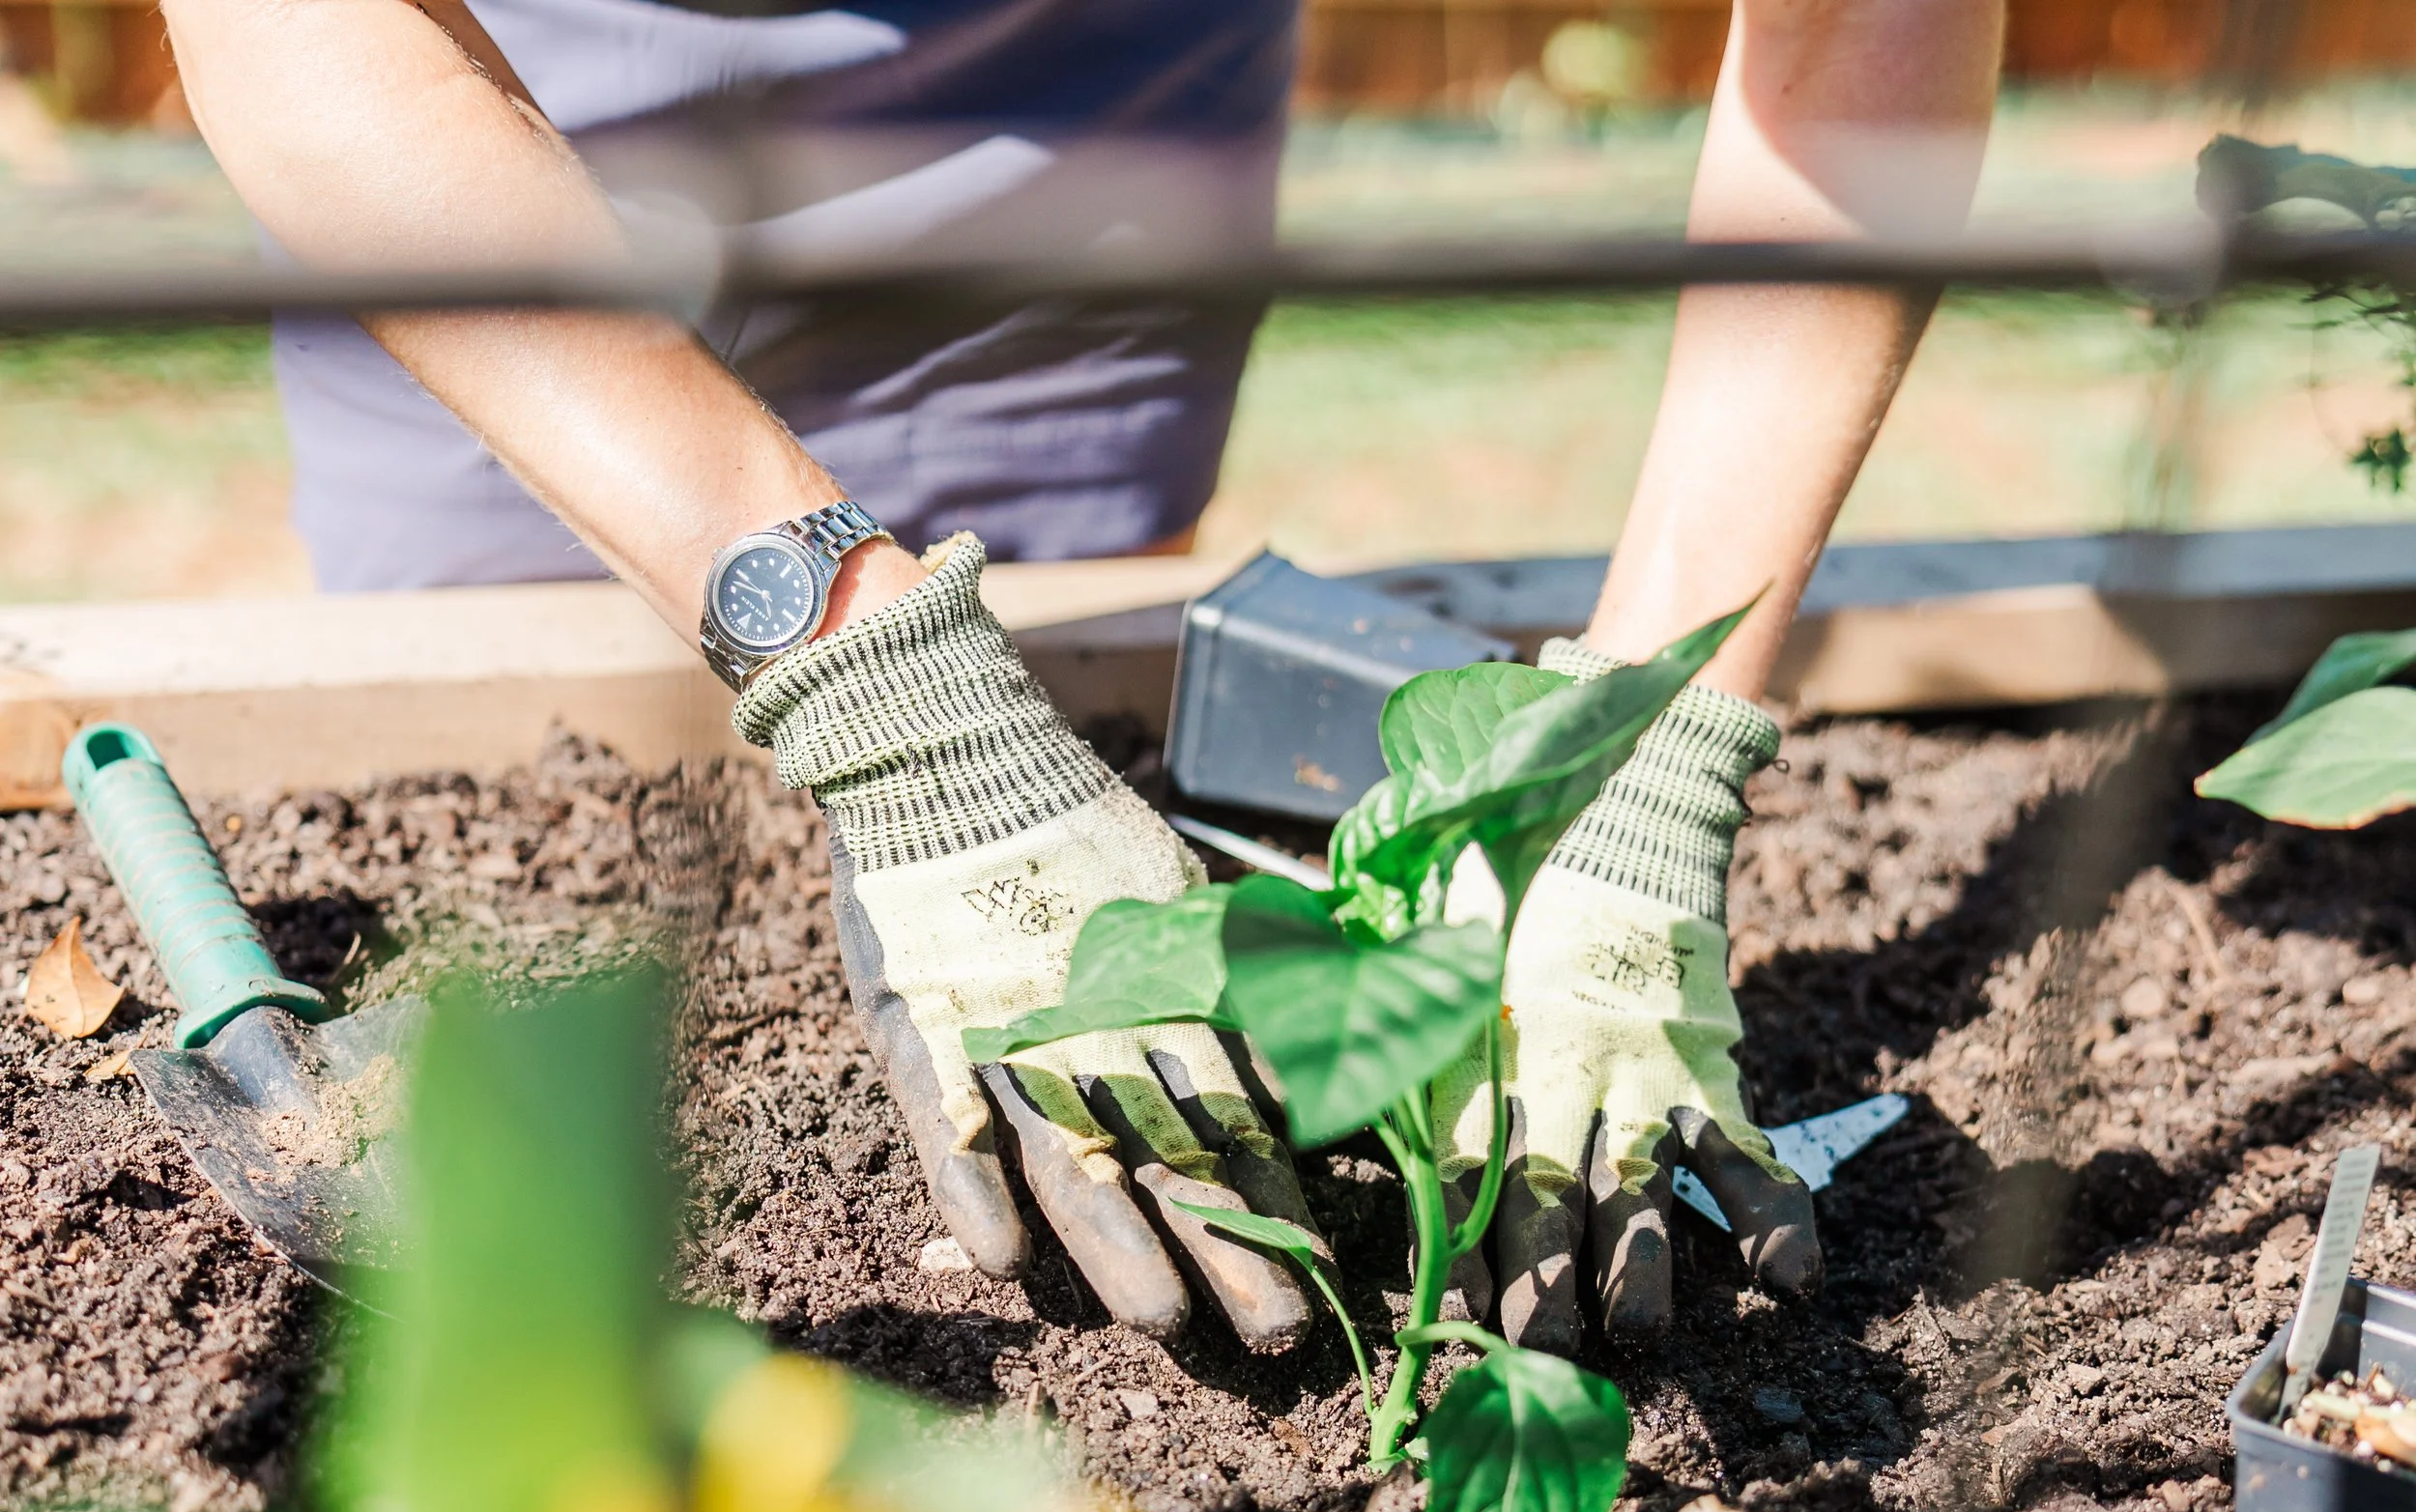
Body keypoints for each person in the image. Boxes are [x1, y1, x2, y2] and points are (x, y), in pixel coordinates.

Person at [162, 0, 2002, 1351]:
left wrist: (1652, 738)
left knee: (1073, 592)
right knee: (541, 702)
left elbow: (1860, 33)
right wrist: (872, 680)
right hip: (478, 113)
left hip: (1087, 110)